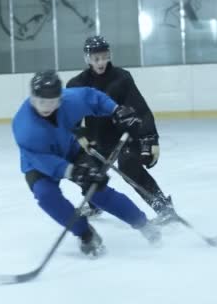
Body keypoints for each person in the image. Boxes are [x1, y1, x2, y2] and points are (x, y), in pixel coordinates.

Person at [11, 69, 161, 258]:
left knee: (97, 191)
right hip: (39, 164)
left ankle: (142, 223)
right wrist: (73, 171)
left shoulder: (70, 100)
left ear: (60, 98)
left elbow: (93, 97)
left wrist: (116, 110)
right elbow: (41, 159)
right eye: (41, 101)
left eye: (52, 101)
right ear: (32, 98)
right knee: (46, 195)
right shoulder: (24, 126)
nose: (47, 107)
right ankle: (86, 234)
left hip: (71, 150)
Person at [66, 35, 176, 224]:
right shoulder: (77, 84)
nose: (101, 62)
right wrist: (78, 133)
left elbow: (140, 109)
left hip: (125, 136)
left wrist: (151, 139)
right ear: (87, 59)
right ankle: (94, 205)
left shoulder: (122, 78)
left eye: (104, 56)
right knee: (87, 171)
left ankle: (163, 207)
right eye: (96, 58)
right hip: (97, 138)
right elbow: (70, 115)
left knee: (130, 167)